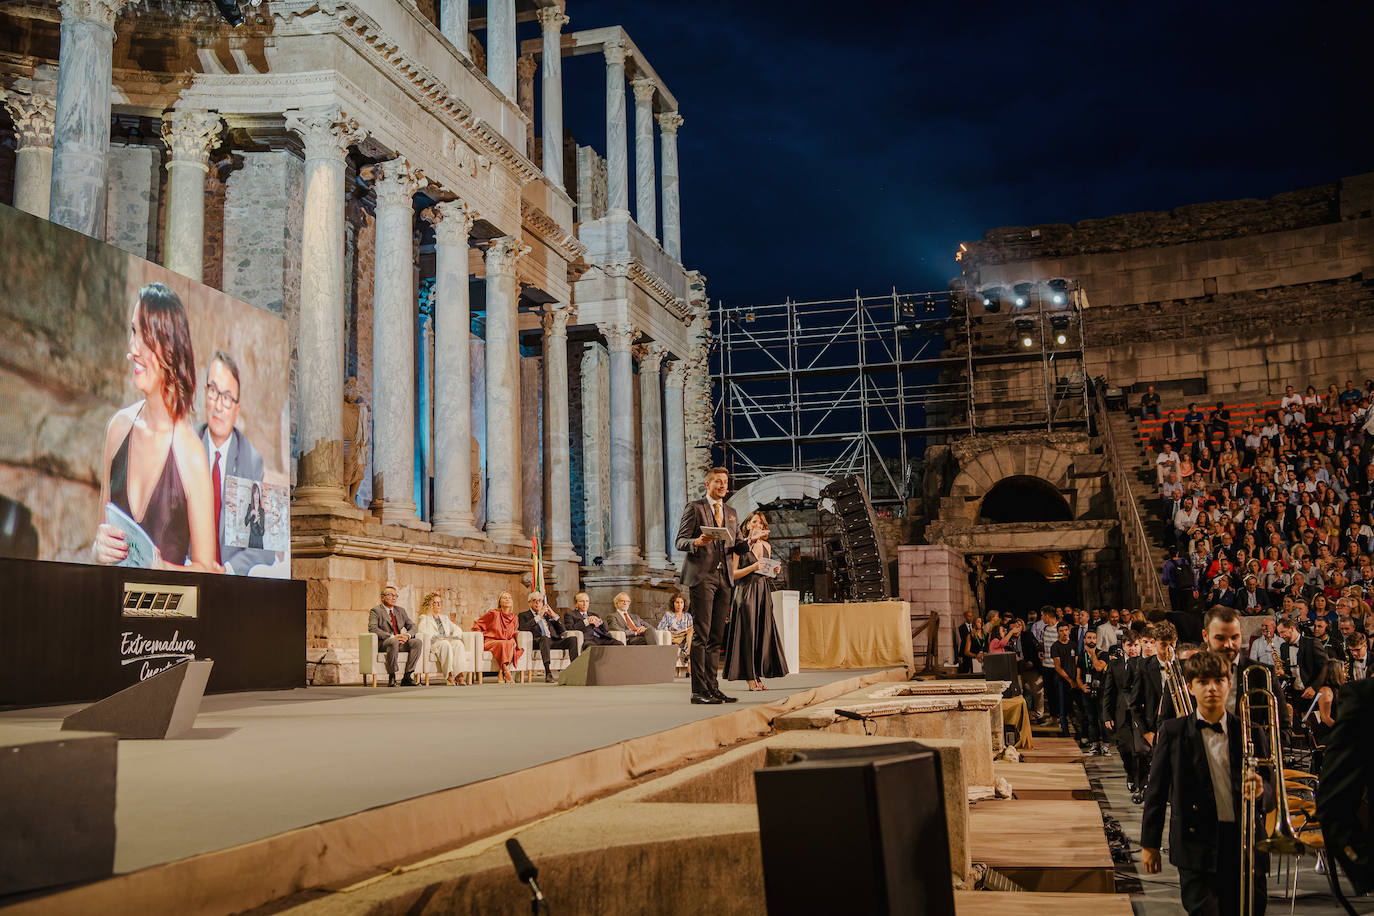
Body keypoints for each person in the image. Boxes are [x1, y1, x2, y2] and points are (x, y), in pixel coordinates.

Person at [93, 283, 218, 572]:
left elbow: (207, 571)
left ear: (171, 349)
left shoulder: (191, 453)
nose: (133, 348)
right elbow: (100, 543)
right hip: (110, 609)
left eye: (145, 338)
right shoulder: (117, 429)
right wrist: (98, 549)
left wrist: (164, 570)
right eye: (133, 332)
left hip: (164, 615)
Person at [1140, 649, 1271, 916]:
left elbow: (1271, 790)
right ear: (1190, 687)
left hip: (1243, 842)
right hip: (1195, 844)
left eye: (1218, 681)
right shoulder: (1173, 732)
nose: (1212, 688)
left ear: (1229, 683)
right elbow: (1156, 791)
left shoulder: (1249, 730)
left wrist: (1261, 791)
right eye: (1202, 682)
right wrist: (1149, 844)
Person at [674, 466, 752, 705]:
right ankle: (698, 691)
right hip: (702, 577)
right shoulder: (695, 508)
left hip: (724, 578)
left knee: (717, 637)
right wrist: (696, 541)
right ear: (707, 484)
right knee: (702, 634)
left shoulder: (731, 512)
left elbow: (737, 544)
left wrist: (749, 542)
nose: (723, 486)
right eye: (718, 482)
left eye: (725, 482)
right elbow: (680, 541)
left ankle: (713, 688)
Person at [195, 350, 272, 574]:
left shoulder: (252, 461)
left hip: (228, 581)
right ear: (204, 394)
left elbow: (263, 547)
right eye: (213, 392)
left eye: (227, 397)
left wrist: (226, 570)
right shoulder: (186, 444)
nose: (219, 405)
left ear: (237, 409)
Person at [724, 510, 789, 690]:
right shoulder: (740, 546)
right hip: (745, 591)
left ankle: (758, 675)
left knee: (762, 633)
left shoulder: (767, 546)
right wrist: (752, 567)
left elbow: (765, 572)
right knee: (749, 634)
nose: (757, 526)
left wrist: (774, 572)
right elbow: (733, 573)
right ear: (746, 525)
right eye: (754, 522)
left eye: (760, 523)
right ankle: (750, 678)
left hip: (763, 591)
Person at [1103, 635, 1147, 795]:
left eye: (1136, 645)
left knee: (1141, 750)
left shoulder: (1146, 663)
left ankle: (1142, 784)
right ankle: (1130, 774)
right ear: (1123, 646)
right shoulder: (1115, 664)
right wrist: (1107, 715)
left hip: (1141, 712)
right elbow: (1108, 691)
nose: (1133, 648)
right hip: (1121, 711)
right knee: (1125, 748)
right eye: (1130, 645)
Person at [368, 585, 423, 687]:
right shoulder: (376, 611)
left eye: (395, 596)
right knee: (393, 642)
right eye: (390, 595)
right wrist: (393, 636)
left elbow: (413, 626)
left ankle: (407, 676)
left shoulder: (400, 610)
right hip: (385, 642)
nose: (393, 598)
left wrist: (407, 635)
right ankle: (392, 676)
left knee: (417, 642)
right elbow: (373, 628)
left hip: (400, 642)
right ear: (382, 597)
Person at [518, 591, 579, 683]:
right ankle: (548, 672)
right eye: (534, 600)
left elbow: (563, 630)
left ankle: (575, 670)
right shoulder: (523, 615)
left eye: (540, 600)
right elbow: (523, 628)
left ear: (543, 602)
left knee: (573, 639)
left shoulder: (547, 616)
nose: (538, 603)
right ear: (529, 602)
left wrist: (554, 615)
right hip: (538, 642)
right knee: (544, 638)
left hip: (553, 640)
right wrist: (538, 616)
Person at [416, 591, 469, 686]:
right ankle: (448, 675)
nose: (438, 604)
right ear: (430, 604)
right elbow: (423, 632)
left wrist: (452, 638)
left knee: (458, 644)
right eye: (435, 602)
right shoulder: (424, 618)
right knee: (445, 644)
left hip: (447, 641)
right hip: (435, 643)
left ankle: (459, 675)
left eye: (440, 602)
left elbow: (457, 629)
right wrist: (441, 638)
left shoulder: (444, 618)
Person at [474, 591, 524, 684]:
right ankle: (506, 672)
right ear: (499, 602)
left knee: (510, 642)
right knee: (505, 643)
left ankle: (501, 672)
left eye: (509, 597)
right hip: (491, 642)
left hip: (505, 643)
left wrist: (513, 639)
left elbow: (512, 634)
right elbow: (477, 624)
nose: (507, 599)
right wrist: (479, 636)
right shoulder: (493, 613)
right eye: (504, 598)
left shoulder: (515, 618)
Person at [1078, 628, 1108, 755]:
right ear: (1084, 640)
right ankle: (1094, 744)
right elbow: (1078, 676)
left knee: (1103, 719)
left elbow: (1098, 667)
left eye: (1094, 638)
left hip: (1101, 691)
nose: (1091, 640)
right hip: (1088, 691)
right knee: (1091, 719)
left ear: (1097, 640)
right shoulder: (1081, 656)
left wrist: (1093, 654)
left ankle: (1105, 745)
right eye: (1089, 638)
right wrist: (1081, 686)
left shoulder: (1103, 654)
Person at [1050, 622, 1080, 739]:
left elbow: (1077, 662)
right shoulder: (1055, 646)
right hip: (1062, 681)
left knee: (1074, 708)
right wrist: (1069, 680)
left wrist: (1077, 679)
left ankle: (1079, 733)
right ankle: (1066, 734)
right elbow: (1058, 667)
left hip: (1074, 680)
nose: (1064, 633)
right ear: (1058, 632)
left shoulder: (1073, 645)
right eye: (1061, 630)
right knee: (1062, 709)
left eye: (1066, 630)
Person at [657, 594, 694, 663]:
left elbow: (691, 628)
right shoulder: (668, 615)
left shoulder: (688, 616)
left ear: (684, 604)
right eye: (677, 602)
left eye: (681, 602)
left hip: (685, 638)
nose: (679, 605)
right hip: (673, 637)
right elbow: (660, 628)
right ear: (673, 603)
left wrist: (682, 630)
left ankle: (688, 653)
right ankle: (689, 655)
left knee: (692, 630)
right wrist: (669, 635)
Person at [243, 483, 265, 550]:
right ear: (252, 495)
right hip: (252, 539)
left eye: (258, 493)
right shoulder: (250, 507)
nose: (256, 496)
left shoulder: (262, 511)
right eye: (254, 493)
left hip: (259, 541)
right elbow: (246, 522)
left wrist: (257, 522)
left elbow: (262, 531)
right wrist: (251, 513)